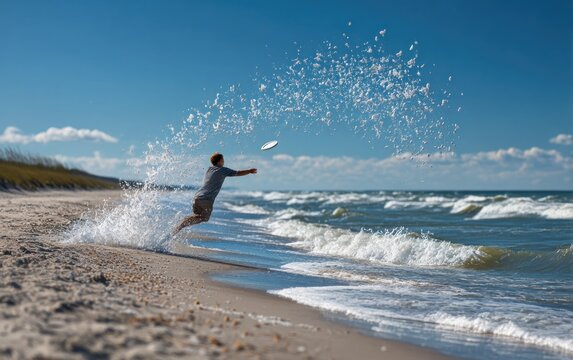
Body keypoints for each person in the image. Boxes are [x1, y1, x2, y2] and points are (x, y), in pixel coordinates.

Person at [173, 152, 257, 234]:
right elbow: (237, 173)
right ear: (220, 161)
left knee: (197, 216)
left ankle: (180, 224)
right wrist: (249, 171)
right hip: (206, 200)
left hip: (197, 197)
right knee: (205, 218)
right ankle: (180, 225)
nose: (223, 161)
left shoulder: (210, 169)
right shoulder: (222, 170)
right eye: (223, 160)